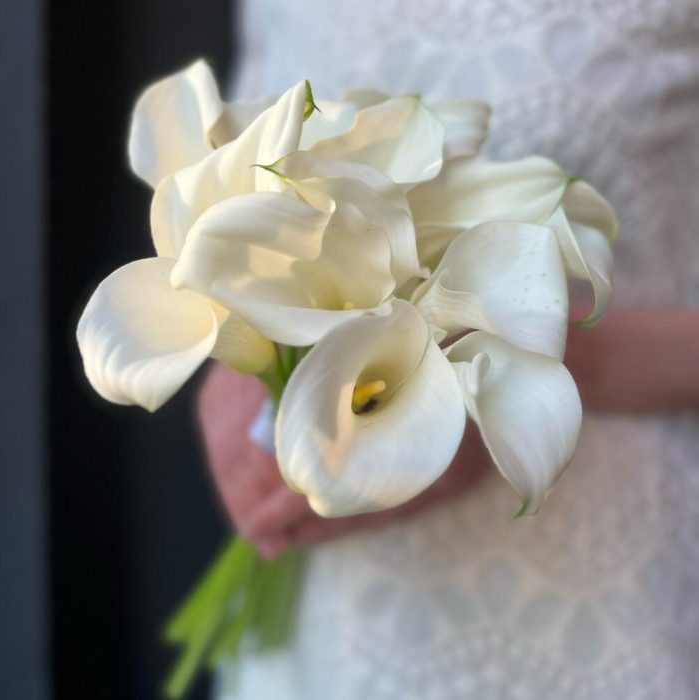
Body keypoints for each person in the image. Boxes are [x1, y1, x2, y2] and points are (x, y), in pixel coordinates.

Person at [198, 1, 699, 697]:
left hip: (606, 589)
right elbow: (226, 200)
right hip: (335, 609)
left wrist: (507, 369)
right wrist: (236, 361)